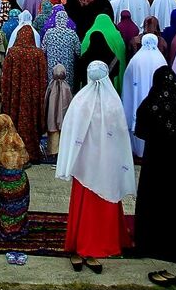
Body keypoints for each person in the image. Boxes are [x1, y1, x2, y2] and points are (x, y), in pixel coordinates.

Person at [57, 61, 135, 272]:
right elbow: (120, 137)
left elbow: (70, 132)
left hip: (84, 166)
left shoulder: (80, 101)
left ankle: (82, 241)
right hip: (107, 164)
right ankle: (106, 241)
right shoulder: (113, 102)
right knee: (106, 197)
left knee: (85, 203)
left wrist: (72, 160)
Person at [132, 64, 176, 271]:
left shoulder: (150, 103)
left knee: (154, 197)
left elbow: (140, 130)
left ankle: (151, 242)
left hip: (156, 160)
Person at [0, 27, 47, 164]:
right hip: (32, 97)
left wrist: (6, 95)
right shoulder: (38, 54)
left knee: (14, 122)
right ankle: (31, 153)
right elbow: (43, 77)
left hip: (15, 95)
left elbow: (5, 76)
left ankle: (14, 153)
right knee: (31, 123)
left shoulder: (13, 53)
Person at [0, 113, 31, 240]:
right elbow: (26, 159)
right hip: (21, 181)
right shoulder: (17, 138)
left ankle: (6, 231)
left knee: (6, 207)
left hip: (6, 184)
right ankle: (19, 229)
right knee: (19, 206)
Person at [123, 34, 168, 158]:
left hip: (138, 101)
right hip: (157, 103)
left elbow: (128, 79)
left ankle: (139, 151)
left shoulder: (136, 59)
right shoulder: (160, 59)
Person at [44, 63, 73, 159]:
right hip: (64, 118)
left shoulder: (50, 86)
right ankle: (62, 152)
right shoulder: (67, 87)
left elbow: (46, 101)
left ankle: (52, 152)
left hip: (51, 116)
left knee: (53, 133)